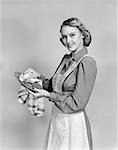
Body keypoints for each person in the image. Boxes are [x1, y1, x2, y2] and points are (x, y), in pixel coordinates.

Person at [28, 17, 97, 150]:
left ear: (82, 34)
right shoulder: (66, 59)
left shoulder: (87, 63)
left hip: (74, 123)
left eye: (72, 35)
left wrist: (48, 95)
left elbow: (77, 103)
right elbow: (53, 85)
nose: (68, 41)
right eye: (64, 37)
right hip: (57, 117)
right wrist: (35, 79)